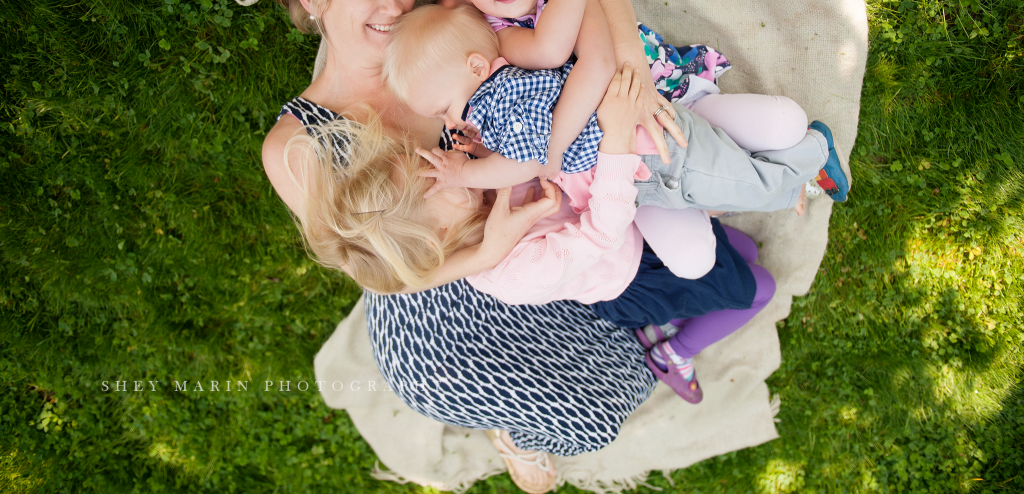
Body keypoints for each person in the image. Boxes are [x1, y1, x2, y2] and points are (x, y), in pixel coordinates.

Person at [216, 0, 695, 494]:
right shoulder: (300, 144)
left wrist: (623, 44)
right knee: (596, 410)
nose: (393, 7)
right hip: (440, 304)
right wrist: (486, 248)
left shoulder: (436, 38)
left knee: (649, 324)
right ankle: (513, 429)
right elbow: (382, 278)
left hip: (536, 234)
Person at [304, 65, 778, 405]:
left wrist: (487, 154)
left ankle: (670, 324)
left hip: (636, 233)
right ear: (439, 233)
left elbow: (531, 162)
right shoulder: (511, 275)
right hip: (636, 275)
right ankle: (672, 351)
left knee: (744, 250)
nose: (440, 159)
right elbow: (601, 234)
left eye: (424, 157)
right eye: (431, 174)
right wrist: (614, 139)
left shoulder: (470, 191)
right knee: (759, 289)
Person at [383, 3, 849, 277]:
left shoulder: (502, 95)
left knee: (755, 189)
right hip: (643, 178)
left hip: (659, 152)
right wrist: (479, 148)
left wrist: (465, 170)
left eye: (445, 108)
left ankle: (814, 155)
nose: (448, 121)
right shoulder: (496, 103)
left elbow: (528, 161)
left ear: (476, 69)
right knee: (724, 205)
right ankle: (787, 176)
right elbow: (520, 146)